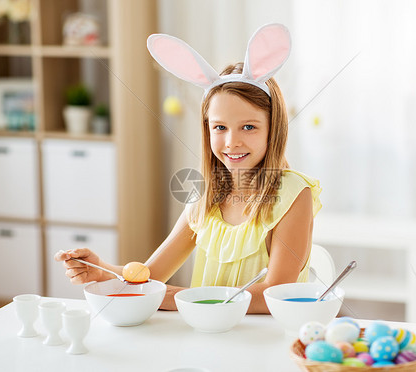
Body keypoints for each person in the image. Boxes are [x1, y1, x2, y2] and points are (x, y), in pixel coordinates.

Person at [55, 24, 322, 314]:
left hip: (264, 341)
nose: (232, 142)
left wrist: (174, 298)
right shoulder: (206, 198)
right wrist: (104, 271)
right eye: (219, 127)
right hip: (206, 334)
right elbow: (151, 275)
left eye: (249, 127)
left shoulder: (294, 195)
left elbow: (275, 294)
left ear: (274, 129)